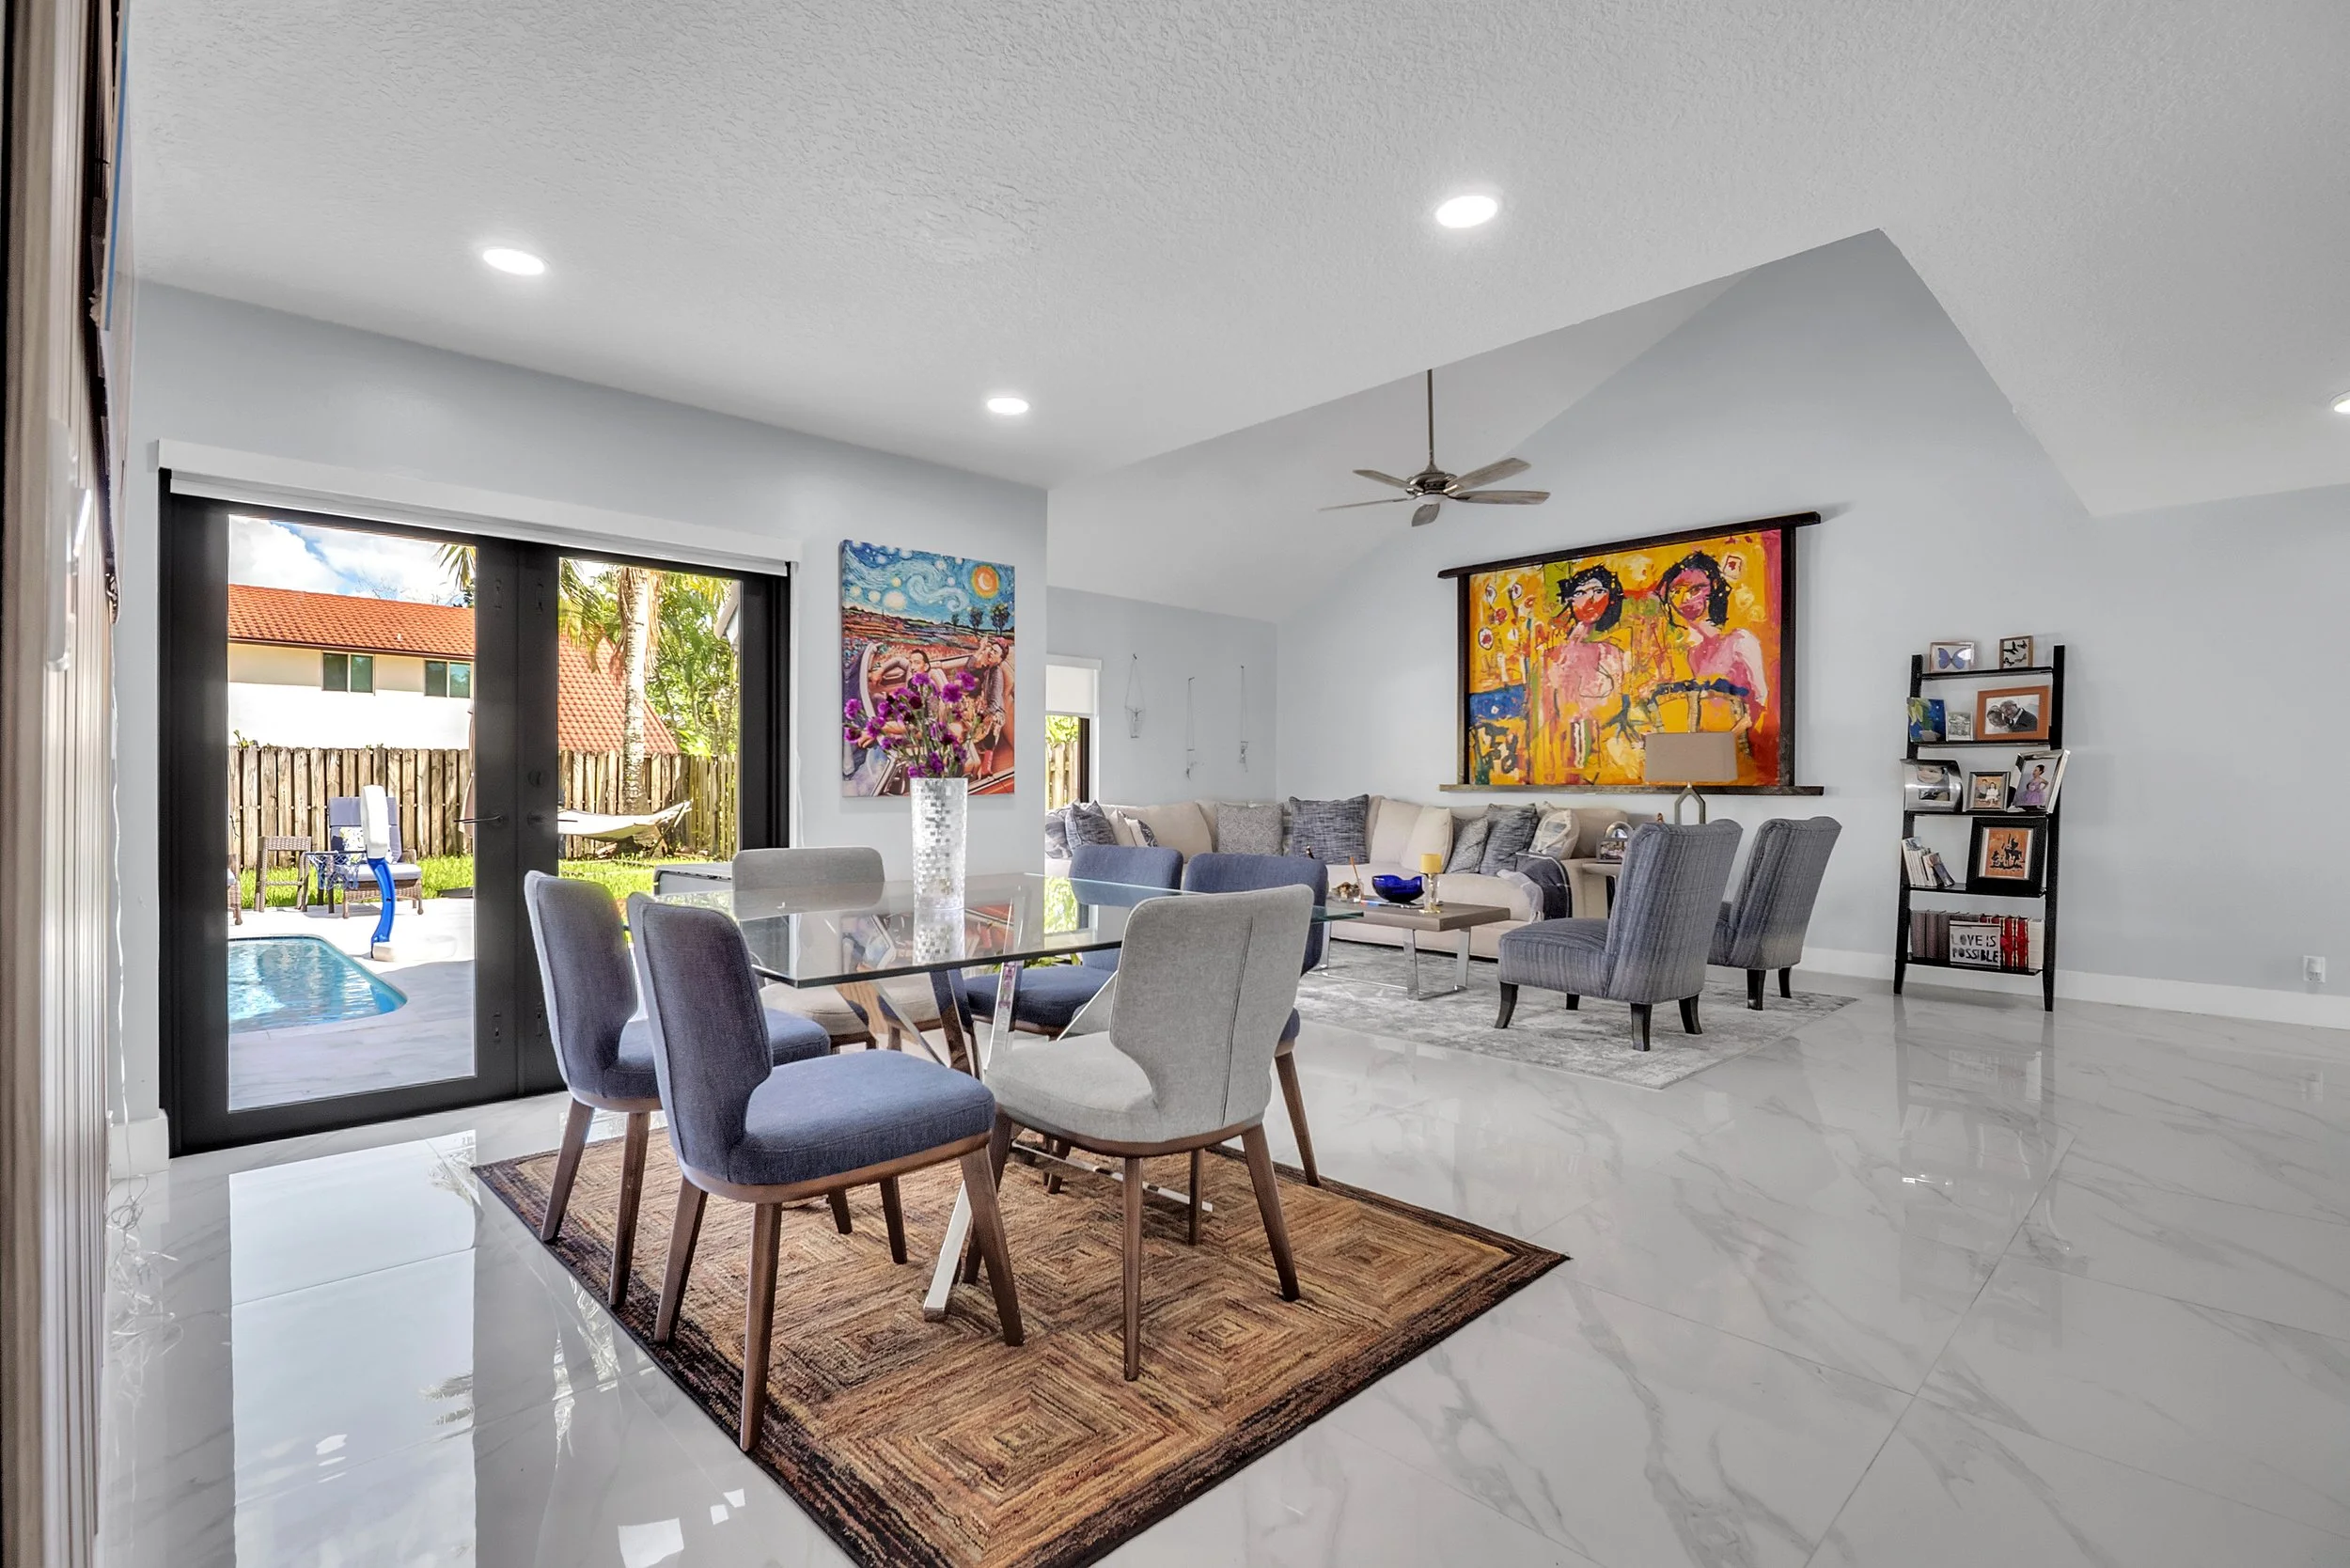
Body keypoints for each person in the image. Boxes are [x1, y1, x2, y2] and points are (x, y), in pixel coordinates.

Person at [1657, 550, 1768, 739]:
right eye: (1676, 591)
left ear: (1714, 587)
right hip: (1709, 744)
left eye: (1695, 590)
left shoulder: (1740, 641)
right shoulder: (1694, 654)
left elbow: (1762, 701)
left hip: (1741, 744)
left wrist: (1728, 739)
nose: (1684, 599)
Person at [1534, 565, 1628, 781]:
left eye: (1598, 591)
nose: (1589, 600)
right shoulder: (1553, 655)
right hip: (1560, 754)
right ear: (1569, 600)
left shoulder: (1614, 651)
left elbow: (1616, 710)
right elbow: (1546, 714)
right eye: (1580, 593)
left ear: (1610, 597)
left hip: (1603, 755)